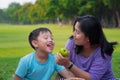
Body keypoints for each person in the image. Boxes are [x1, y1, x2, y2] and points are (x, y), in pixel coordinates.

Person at [56, 15, 117, 80]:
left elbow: (92, 78)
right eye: (74, 30)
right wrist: (61, 61)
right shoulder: (72, 42)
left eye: (77, 32)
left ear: (89, 37)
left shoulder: (103, 52)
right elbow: (63, 70)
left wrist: (68, 64)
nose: (73, 34)